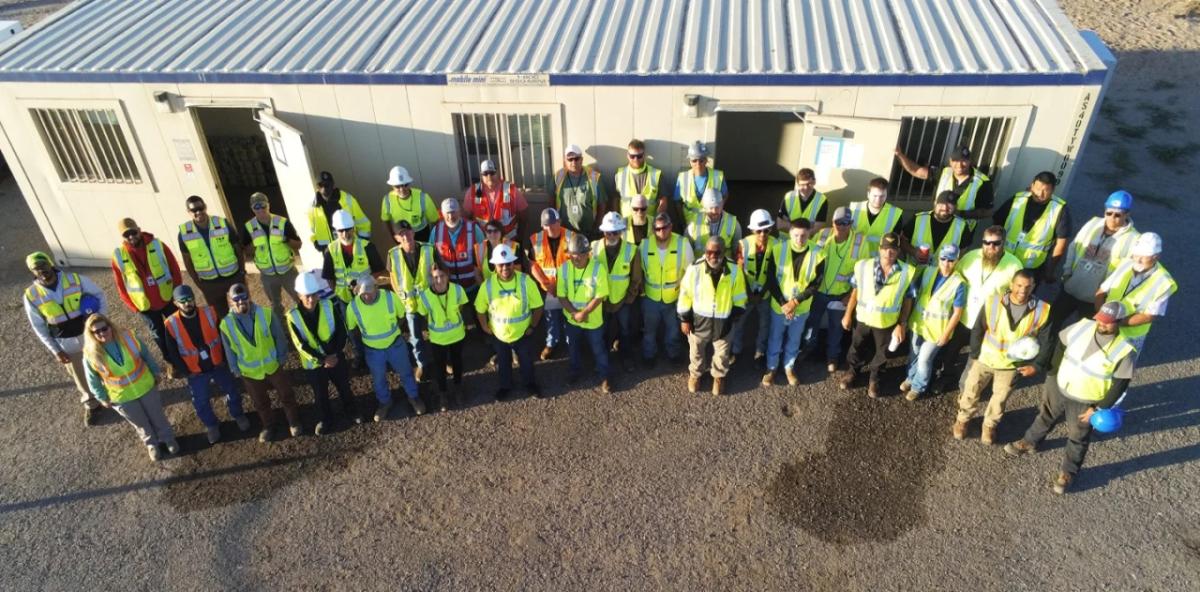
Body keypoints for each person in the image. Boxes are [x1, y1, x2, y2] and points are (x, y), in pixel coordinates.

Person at [1004, 302, 1138, 495]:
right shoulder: (1083, 326)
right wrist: (1053, 371)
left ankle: (1068, 473)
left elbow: (1120, 383)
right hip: (1059, 385)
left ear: (1119, 322)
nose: (1102, 324)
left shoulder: (1124, 350)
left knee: (1078, 436)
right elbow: (1061, 343)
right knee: (1045, 415)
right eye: (1101, 319)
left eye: (1108, 322)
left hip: (1086, 400)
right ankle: (1029, 442)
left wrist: (1099, 408)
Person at [953, 269, 1053, 444]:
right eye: (1019, 285)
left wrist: (1037, 366)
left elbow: (1047, 341)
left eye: (1028, 287)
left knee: (1000, 398)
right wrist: (975, 353)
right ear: (1011, 285)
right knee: (971, 391)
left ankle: (989, 425)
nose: (1023, 290)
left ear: (1034, 287)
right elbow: (978, 328)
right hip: (984, 359)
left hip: (1011, 365)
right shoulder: (993, 302)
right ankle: (963, 420)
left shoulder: (1042, 310)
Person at [24, 251, 107, 425]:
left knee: (104, 364)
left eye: (43, 265)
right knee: (79, 375)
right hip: (65, 342)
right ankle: (92, 404)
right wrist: (56, 350)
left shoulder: (75, 279)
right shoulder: (31, 295)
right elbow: (38, 326)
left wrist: (101, 321)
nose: (41, 271)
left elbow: (100, 295)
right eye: (36, 268)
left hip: (90, 335)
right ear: (32, 272)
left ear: (50, 264)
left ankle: (113, 394)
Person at [83, 314, 178, 462]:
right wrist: (102, 397)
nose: (102, 333)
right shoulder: (90, 354)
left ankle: (168, 439)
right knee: (140, 423)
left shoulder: (128, 337)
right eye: (96, 332)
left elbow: (146, 355)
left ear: (110, 326)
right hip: (121, 397)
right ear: (91, 334)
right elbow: (92, 379)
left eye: (104, 328)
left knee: (157, 416)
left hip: (145, 386)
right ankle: (152, 444)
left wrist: (155, 371)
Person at [163, 285, 249, 444]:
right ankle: (211, 425)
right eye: (182, 301)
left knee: (232, 390)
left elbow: (223, 337)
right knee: (200, 401)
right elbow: (172, 353)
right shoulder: (171, 324)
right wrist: (186, 371)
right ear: (176, 303)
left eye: (189, 299)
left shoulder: (210, 312)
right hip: (195, 371)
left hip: (217, 364)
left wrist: (225, 359)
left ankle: (238, 414)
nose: (187, 303)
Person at [219, 283, 302, 442]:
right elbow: (228, 349)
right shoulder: (226, 324)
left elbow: (279, 337)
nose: (240, 302)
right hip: (249, 373)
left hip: (273, 366)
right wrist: (235, 369)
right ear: (230, 301)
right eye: (236, 300)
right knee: (260, 402)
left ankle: (294, 421)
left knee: (286, 395)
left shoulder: (266, 314)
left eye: (243, 298)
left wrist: (281, 358)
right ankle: (268, 426)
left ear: (249, 297)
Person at [1051, 190, 1139, 337]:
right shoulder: (1093, 224)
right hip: (1071, 287)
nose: (1112, 218)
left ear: (1127, 214)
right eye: (1109, 213)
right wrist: (1066, 274)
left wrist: (1103, 296)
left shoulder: (1134, 239)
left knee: (1085, 334)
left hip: (1095, 299)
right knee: (1052, 324)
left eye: (1117, 215)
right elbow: (1074, 246)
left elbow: (1125, 272)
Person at [839, 233, 915, 397]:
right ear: (880, 249)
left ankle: (874, 379)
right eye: (886, 248)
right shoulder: (863, 266)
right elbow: (855, 292)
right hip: (863, 319)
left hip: (886, 322)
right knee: (856, 347)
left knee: (882, 354)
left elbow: (908, 300)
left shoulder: (907, 272)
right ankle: (852, 372)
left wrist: (902, 324)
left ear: (899, 251)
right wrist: (847, 314)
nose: (889, 253)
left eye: (893, 249)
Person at [286, 271, 361, 434]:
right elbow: (300, 345)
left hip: (335, 357)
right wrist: (322, 359)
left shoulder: (328, 305)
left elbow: (342, 330)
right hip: (314, 364)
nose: (311, 299)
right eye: (307, 296)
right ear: (299, 295)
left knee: (344, 386)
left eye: (314, 295)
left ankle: (352, 411)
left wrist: (334, 354)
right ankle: (325, 419)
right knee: (320, 394)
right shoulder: (292, 317)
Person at [949, 225, 1025, 383]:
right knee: (951, 350)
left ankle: (967, 384)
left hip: (988, 323)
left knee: (977, 356)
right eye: (987, 242)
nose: (991, 247)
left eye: (996, 243)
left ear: (1003, 243)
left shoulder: (1014, 265)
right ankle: (946, 375)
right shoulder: (971, 257)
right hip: (963, 317)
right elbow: (956, 277)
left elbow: (1017, 295)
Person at [345, 276, 425, 420]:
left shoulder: (389, 297)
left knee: (406, 372)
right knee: (378, 379)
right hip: (373, 350)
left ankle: (414, 397)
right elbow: (352, 328)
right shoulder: (353, 306)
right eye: (363, 294)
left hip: (395, 344)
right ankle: (385, 402)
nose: (367, 296)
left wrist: (393, 333)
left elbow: (401, 316)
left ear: (377, 288)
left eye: (370, 292)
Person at [678, 236, 747, 395]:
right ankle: (696, 374)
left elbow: (740, 297)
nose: (713, 256)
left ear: (724, 252)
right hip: (698, 323)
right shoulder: (694, 269)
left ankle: (719, 376)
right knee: (696, 351)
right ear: (705, 252)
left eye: (717, 252)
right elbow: (685, 295)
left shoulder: (734, 270)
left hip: (724, 324)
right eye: (709, 252)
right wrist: (685, 319)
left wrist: (733, 318)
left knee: (722, 354)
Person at [475, 244, 544, 400]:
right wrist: (485, 327)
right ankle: (505, 386)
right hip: (499, 335)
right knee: (504, 363)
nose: (505, 267)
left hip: (523, 333)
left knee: (526, 361)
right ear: (494, 266)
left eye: (508, 263)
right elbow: (480, 309)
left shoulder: (526, 281)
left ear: (514, 263)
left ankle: (530, 384)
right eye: (501, 264)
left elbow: (539, 306)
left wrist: (532, 327)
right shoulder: (487, 285)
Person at [111, 217, 182, 367]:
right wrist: (134, 307)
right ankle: (171, 363)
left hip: (168, 298)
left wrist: (177, 293)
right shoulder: (118, 256)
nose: (131, 237)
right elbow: (121, 285)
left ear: (139, 229)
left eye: (133, 232)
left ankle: (185, 356)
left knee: (178, 329)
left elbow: (174, 268)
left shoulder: (157, 245)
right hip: (145, 306)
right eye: (126, 235)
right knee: (159, 336)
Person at [761, 220, 824, 386]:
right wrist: (784, 304)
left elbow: (816, 284)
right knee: (775, 337)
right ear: (789, 233)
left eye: (804, 235)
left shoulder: (818, 253)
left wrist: (794, 303)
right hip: (779, 306)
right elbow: (771, 280)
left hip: (801, 308)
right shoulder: (777, 250)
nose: (799, 239)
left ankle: (789, 367)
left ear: (810, 233)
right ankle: (771, 368)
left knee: (794, 339)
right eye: (796, 235)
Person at [806, 207, 868, 374]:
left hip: (841, 295)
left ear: (851, 223)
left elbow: (863, 274)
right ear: (832, 223)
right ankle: (807, 351)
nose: (842, 226)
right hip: (818, 292)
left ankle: (832, 357)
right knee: (812, 324)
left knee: (836, 329)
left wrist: (850, 296)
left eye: (846, 223)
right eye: (838, 222)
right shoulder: (823, 235)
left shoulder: (861, 242)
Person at [321, 209, 386, 366]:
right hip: (345, 299)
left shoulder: (367, 246)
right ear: (335, 231)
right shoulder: (330, 250)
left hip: (367, 295)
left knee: (372, 324)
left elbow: (379, 271)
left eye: (348, 229)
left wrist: (366, 285)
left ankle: (378, 352)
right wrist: (338, 292)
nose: (345, 234)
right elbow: (329, 276)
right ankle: (360, 355)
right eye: (341, 230)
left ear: (353, 228)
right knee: (352, 329)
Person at [901, 245, 965, 401]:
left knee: (924, 359)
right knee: (914, 354)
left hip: (937, 330)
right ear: (938, 258)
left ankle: (918, 387)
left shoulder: (959, 283)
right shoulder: (928, 271)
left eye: (951, 260)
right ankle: (910, 378)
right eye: (943, 258)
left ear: (956, 261)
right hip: (919, 323)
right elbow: (912, 293)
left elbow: (957, 313)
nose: (946, 263)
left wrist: (946, 334)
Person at [1095, 232, 1176, 353]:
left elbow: (1149, 316)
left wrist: (1116, 323)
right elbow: (1101, 292)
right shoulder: (1126, 263)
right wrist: (1102, 317)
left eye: (1144, 256)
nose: (1138, 259)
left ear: (1156, 256)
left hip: (1131, 335)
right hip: (1106, 324)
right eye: (1137, 254)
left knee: (1122, 365)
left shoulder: (1164, 282)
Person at [894, 144, 994, 239]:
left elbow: (988, 212)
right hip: (936, 224)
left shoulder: (983, 182)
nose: (959, 164)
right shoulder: (944, 173)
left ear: (970, 161)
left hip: (961, 232)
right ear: (950, 161)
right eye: (956, 160)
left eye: (964, 160)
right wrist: (899, 154)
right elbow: (916, 171)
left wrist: (961, 214)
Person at [994, 171, 1072, 282]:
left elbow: (1061, 244)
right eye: (1038, 188)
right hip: (1004, 259)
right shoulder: (1018, 199)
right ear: (1032, 185)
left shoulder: (1060, 209)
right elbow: (997, 225)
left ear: (1053, 190)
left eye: (1046, 190)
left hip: (1032, 267)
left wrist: (1050, 270)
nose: (1040, 194)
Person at [559, 234, 612, 393]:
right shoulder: (564, 268)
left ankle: (605, 376)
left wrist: (585, 312)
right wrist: (575, 313)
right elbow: (562, 295)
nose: (576, 258)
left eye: (580, 255)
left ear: (587, 253)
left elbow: (600, 295)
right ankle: (574, 372)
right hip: (572, 319)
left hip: (593, 319)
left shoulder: (598, 268)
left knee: (598, 348)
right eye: (572, 255)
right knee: (573, 348)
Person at [178, 195, 244, 319]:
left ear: (205, 207)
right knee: (222, 318)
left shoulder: (222, 223)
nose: (198, 212)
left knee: (243, 309)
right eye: (193, 210)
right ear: (188, 212)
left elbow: (238, 248)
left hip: (233, 277)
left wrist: (241, 272)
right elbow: (187, 260)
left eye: (200, 208)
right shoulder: (184, 233)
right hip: (209, 284)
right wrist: (198, 283)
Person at [641, 213, 693, 367]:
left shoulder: (683, 244)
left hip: (674, 298)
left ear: (671, 226)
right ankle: (649, 355)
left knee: (673, 331)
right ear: (653, 230)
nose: (661, 231)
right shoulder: (644, 245)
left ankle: (674, 354)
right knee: (649, 331)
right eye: (658, 229)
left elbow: (690, 273)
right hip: (651, 298)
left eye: (665, 227)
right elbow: (640, 272)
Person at [242, 192, 301, 328]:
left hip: (288, 271)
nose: (260, 209)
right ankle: (282, 329)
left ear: (268, 205)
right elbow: (246, 251)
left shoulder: (282, 222)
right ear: (252, 209)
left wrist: (285, 239)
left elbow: (298, 245)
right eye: (256, 207)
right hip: (267, 275)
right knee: (275, 304)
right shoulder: (249, 227)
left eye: (263, 205)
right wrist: (255, 244)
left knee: (300, 298)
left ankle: (305, 323)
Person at [416, 263, 470, 411]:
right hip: (438, 338)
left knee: (457, 362)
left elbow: (461, 306)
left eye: (442, 276)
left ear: (447, 276)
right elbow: (422, 313)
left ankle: (458, 389)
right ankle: (443, 394)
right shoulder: (425, 296)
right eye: (435, 277)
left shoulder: (458, 290)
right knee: (439, 367)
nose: (439, 280)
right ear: (431, 279)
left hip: (457, 335)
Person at [593, 212, 643, 372]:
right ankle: (603, 357)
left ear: (621, 231)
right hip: (601, 300)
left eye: (615, 232)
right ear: (603, 232)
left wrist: (628, 298)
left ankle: (626, 357)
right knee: (602, 330)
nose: (612, 235)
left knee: (625, 330)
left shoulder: (632, 250)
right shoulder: (593, 248)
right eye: (608, 232)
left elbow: (636, 278)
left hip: (623, 300)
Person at [386, 221, 434, 381]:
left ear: (413, 232)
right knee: (415, 337)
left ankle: (442, 361)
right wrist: (400, 296)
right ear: (396, 238)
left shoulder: (428, 248)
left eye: (408, 232)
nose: (405, 236)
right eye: (401, 234)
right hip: (410, 304)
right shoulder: (392, 254)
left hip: (429, 302)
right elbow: (392, 277)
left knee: (436, 332)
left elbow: (439, 269)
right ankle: (422, 365)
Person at [528, 208, 577, 361]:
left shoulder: (572, 237)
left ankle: (572, 343)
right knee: (551, 317)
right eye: (547, 225)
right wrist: (545, 283)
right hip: (549, 288)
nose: (551, 227)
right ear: (542, 226)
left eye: (554, 223)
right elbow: (533, 264)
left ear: (560, 222)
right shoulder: (536, 240)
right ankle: (551, 343)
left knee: (570, 315)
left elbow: (580, 261)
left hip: (569, 287)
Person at [733, 209, 778, 367]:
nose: (762, 234)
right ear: (752, 230)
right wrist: (750, 294)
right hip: (746, 294)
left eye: (766, 230)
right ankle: (736, 351)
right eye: (759, 231)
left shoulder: (777, 245)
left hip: (765, 294)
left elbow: (773, 274)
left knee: (765, 324)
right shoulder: (743, 245)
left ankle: (760, 352)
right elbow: (739, 273)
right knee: (738, 323)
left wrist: (763, 292)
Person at [431, 198, 486, 295]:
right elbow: (431, 257)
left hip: (473, 287)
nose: (451, 216)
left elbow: (484, 254)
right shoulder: (436, 231)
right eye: (447, 213)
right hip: (450, 290)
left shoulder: (473, 228)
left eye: (453, 212)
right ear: (442, 214)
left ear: (459, 211)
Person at [463, 159, 528, 241]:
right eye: (485, 174)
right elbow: (466, 219)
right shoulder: (472, 192)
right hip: (483, 243)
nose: (489, 177)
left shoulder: (511, 190)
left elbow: (524, 216)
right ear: (481, 176)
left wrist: (520, 238)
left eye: (492, 173)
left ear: (497, 173)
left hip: (508, 242)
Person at [899, 191, 969, 266]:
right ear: (935, 203)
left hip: (941, 275)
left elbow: (961, 254)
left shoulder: (962, 226)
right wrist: (914, 252)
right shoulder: (918, 219)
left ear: (956, 206)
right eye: (942, 203)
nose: (945, 208)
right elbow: (902, 241)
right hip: (913, 272)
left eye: (950, 205)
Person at [309, 170, 370, 252]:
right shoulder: (313, 207)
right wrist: (317, 243)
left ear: (333, 184)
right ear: (317, 187)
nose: (324, 188)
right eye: (320, 185)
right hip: (329, 251)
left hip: (351, 247)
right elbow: (312, 230)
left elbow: (363, 222)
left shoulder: (347, 199)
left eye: (327, 184)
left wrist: (363, 242)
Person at [554, 144, 606, 237]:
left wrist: (597, 226)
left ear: (581, 160)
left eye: (576, 159)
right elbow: (551, 201)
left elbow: (602, 204)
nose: (573, 162)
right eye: (570, 159)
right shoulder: (558, 176)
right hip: (565, 233)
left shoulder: (594, 177)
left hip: (589, 232)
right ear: (565, 161)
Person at [674, 141, 727, 226]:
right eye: (694, 160)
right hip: (689, 223)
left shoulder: (718, 176)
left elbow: (724, 195)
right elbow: (677, 202)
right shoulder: (682, 177)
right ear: (690, 162)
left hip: (711, 220)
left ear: (706, 160)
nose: (698, 164)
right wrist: (682, 223)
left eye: (701, 160)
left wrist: (717, 212)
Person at [380, 165, 438, 242]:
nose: (402, 189)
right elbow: (386, 220)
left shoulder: (423, 197)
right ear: (392, 186)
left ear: (409, 183)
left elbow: (435, 220)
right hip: (402, 237)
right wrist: (394, 238)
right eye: (397, 186)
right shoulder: (387, 200)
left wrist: (433, 240)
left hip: (422, 234)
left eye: (405, 185)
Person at [849, 177, 904, 257]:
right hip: (852, 259)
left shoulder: (895, 214)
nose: (878, 200)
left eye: (882, 196)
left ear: (886, 195)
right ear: (868, 194)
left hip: (876, 262)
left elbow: (894, 245)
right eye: (875, 196)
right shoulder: (854, 209)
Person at [613, 139, 665, 221]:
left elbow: (663, 200)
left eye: (639, 156)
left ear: (644, 155)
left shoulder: (656, 174)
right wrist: (617, 220)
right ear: (627, 155)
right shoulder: (620, 174)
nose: (635, 159)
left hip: (649, 224)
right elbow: (615, 199)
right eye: (632, 156)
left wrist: (658, 220)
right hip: (627, 225)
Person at [686, 188, 742, 253]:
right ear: (704, 207)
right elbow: (687, 250)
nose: (714, 211)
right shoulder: (693, 223)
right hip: (700, 263)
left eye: (717, 207)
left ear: (722, 205)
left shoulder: (733, 223)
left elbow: (737, 251)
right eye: (711, 208)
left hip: (724, 262)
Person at [776, 168, 827, 233]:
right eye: (802, 185)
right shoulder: (789, 197)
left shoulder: (822, 200)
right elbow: (780, 224)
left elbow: (818, 228)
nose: (806, 188)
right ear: (797, 184)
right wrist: (803, 231)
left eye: (809, 184)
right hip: (786, 240)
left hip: (808, 241)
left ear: (814, 182)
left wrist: (790, 225)